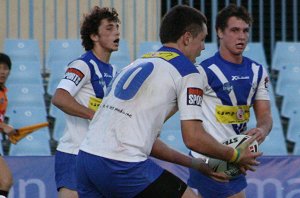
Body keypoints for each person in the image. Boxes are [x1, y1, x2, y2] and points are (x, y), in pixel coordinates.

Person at [76, 5, 261, 198]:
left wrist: (196, 164)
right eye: (202, 39)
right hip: (122, 165)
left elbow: (146, 141)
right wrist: (235, 155)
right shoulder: (189, 71)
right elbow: (193, 137)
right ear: (187, 38)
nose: (203, 47)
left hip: (86, 161)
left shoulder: (138, 62)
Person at [187, 4, 273, 198]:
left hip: (236, 157)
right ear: (219, 32)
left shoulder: (257, 71)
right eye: (234, 30)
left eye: (245, 31)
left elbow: (266, 116)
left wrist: (262, 130)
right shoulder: (203, 72)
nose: (241, 36)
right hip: (209, 159)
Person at [51, 6, 120, 198]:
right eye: (109, 28)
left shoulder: (114, 71)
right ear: (94, 36)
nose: (116, 32)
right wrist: (94, 115)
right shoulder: (82, 65)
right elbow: (60, 97)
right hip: (74, 152)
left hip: (98, 156)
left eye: (117, 27)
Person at [0, 53, 14, 198]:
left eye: (5, 68)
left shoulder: (3, 92)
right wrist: (3, 127)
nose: (2, 71)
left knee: (5, 180)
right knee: (5, 180)